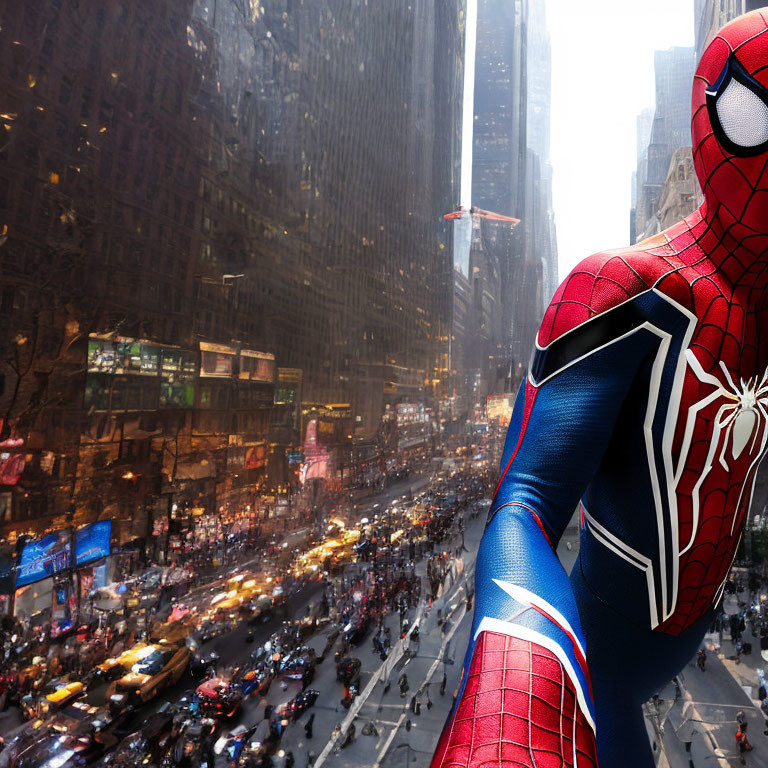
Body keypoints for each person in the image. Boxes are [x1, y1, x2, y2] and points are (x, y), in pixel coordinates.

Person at [432, 11, 768, 768]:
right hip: (604, 658)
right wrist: (515, 683)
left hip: (691, 625)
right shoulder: (623, 289)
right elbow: (522, 505)